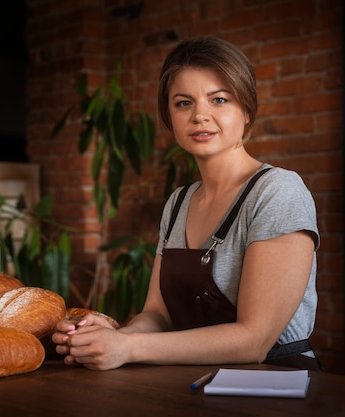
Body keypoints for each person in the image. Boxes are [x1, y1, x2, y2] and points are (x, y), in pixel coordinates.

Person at [52, 36, 321, 371]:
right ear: (169, 116)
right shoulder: (178, 202)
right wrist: (110, 334)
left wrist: (128, 346)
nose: (200, 116)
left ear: (247, 111)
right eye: (183, 103)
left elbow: (254, 340)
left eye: (219, 100)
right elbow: (158, 314)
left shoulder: (278, 192)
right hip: (194, 383)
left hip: (274, 385)